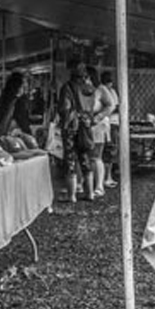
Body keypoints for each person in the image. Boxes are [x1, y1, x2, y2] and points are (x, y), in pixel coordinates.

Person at [57, 60, 97, 203]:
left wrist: (67, 117)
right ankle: (90, 193)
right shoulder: (90, 88)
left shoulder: (67, 88)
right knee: (86, 159)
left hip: (71, 128)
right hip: (86, 127)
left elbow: (64, 108)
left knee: (70, 160)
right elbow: (94, 108)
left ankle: (71, 195)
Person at [87, 66, 115, 198]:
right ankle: (85, 184)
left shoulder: (101, 89)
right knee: (85, 156)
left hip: (98, 126)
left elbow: (111, 105)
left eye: (86, 77)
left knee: (96, 156)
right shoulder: (83, 90)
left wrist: (97, 117)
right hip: (85, 126)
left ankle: (99, 186)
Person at [98, 71, 119, 188]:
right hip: (109, 123)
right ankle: (106, 177)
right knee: (108, 150)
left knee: (111, 150)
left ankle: (108, 176)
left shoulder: (111, 91)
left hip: (113, 122)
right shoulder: (102, 91)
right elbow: (112, 107)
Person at [0, 72, 26, 136]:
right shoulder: (17, 102)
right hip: (7, 136)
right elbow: (23, 123)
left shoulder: (0, 99)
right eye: (22, 86)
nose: (24, 89)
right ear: (18, 87)